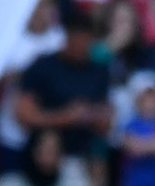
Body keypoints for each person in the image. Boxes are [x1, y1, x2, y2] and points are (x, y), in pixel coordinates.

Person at [16, 11, 112, 159]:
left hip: (83, 155)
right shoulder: (43, 66)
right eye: (76, 39)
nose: (80, 46)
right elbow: (24, 115)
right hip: (41, 155)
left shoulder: (99, 71)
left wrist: (89, 115)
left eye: (85, 40)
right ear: (67, 37)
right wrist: (64, 117)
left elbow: (106, 120)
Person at [0, 0, 66, 173]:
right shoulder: (9, 38)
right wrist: (30, 71)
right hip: (13, 132)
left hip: (52, 135)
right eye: (36, 4)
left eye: (46, 5)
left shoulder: (62, 40)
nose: (40, 11)